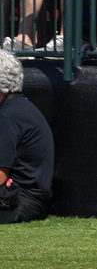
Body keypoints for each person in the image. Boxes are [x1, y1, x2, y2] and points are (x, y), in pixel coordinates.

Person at [0, 50, 52, 224]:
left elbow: (1, 175)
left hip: (21, 201)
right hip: (29, 198)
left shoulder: (7, 116)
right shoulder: (18, 106)